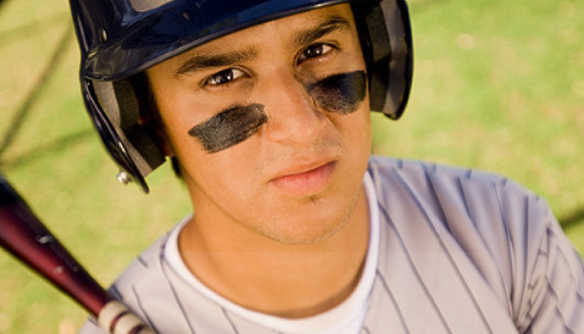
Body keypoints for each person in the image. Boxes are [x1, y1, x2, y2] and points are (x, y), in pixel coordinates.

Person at [70, 0, 584, 333]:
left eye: (317, 48)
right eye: (223, 76)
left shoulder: (506, 230)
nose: (301, 126)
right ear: (147, 121)